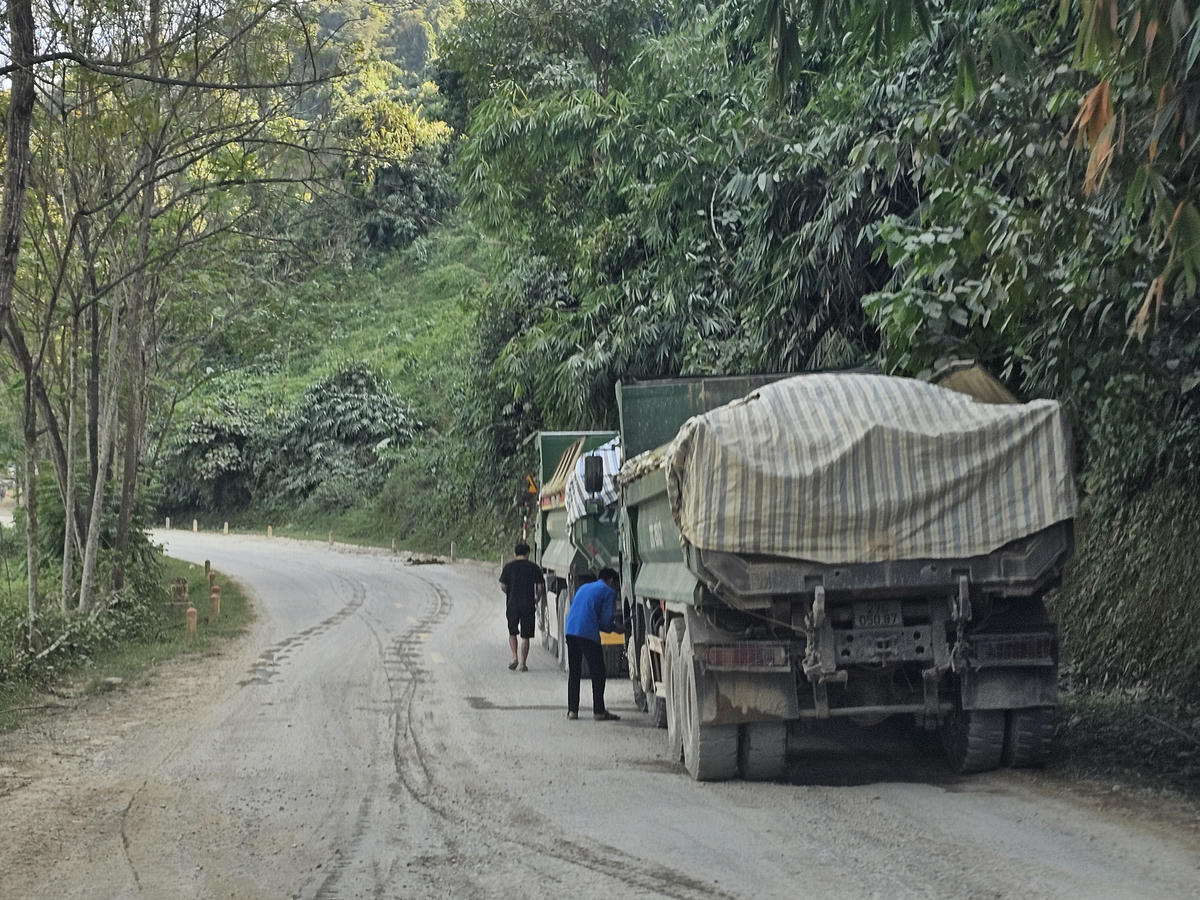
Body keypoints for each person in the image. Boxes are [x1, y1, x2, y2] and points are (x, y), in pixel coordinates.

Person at [563, 567, 621, 721]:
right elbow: (606, 620)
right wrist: (617, 629)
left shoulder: (584, 587)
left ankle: (572, 711)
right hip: (587, 633)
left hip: (570, 630)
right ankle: (599, 711)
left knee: (574, 672)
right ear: (610, 581)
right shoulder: (609, 592)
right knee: (598, 671)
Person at [499, 541, 543, 671]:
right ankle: (523, 663)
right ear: (528, 553)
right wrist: (537, 598)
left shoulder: (508, 567)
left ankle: (514, 657)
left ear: (515, 553)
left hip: (512, 604)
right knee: (526, 635)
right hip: (528, 604)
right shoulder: (534, 567)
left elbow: (503, 586)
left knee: (512, 632)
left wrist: (510, 593)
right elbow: (540, 587)